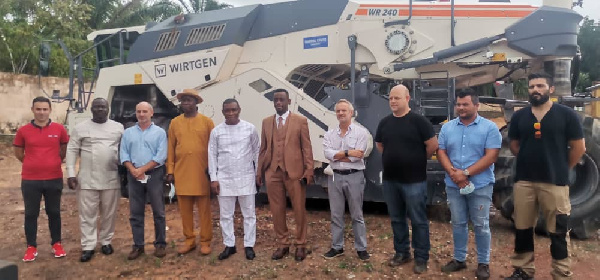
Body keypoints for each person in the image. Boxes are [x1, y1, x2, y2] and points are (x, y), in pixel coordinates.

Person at [505, 72, 585, 280]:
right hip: (524, 182)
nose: (535, 90)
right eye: (532, 87)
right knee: (522, 228)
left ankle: (561, 273)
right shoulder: (520, 116)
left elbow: (579, 147)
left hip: (555, 183)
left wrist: (561, 166)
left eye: (540, 86)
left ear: (550, 89)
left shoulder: (566, 115)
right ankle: (523, 270)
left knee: (558, 231)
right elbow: (514, 145)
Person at [437, 89, 502, 280]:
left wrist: (465, 173)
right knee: (458, 222)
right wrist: (453, 174)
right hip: (453, 184)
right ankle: (459, 259)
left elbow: (491, 156)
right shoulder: (447, 128)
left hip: (480, 185)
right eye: (458, 104)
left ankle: (483, 263)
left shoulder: (490, 128)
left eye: (465, 104)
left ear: (476, 105)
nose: (461, 108)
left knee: (481, 224)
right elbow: (441, 152)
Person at [374, 84, 438, 274]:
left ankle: (421, 257)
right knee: (396, 219)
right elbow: (380, 145)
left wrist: (414, 159)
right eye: (391, 98)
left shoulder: (419, 121)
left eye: (397, 98)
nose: (393, 101)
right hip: (390, 180)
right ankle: (402, 253)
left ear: (407, 99)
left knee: (418, 220)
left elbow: (432, 145)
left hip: (414, 181)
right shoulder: (385, 123)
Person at [256, 88, 314, 261]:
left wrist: (308, 170)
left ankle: (301, 244)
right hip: (272, 172)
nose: (278, 103)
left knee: (298, 209)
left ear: (289, 101)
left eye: (281, 100)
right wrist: (259, 171)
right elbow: (263, 149)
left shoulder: (300, 121)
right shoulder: (267, 122)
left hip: (294, 172)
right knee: (276, 209)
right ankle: (283, 244)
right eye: (276, 100)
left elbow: (307, 148)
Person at [66, 98, 124, 262]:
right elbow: (71, 150)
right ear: (91, 109)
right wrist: (71, 173)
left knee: (109, 214)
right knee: (87, 214)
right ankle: (88, 246)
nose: (100, 109)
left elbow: (124, 149)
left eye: (103, 107)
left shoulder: (118, 128)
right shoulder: (80, 128)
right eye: (96, 107)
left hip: (111, 177)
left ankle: (106, 241)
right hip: (87, 179)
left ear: (108, 109)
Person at [13, 96, 69, 262]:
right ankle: (31, 247)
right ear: (33, 110)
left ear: (50, 110)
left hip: (54, 178)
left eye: (45, 109)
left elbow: (63, 149)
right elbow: (18, 153)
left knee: (54, 212)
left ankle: (57, 244)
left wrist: (52, 163)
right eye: (38, 109)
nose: (42, 112)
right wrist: (32, 163)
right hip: (30, 180)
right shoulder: (23, 131)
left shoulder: (59, 129)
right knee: (31, 213)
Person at [208, 99, 260, 261]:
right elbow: (212, 155)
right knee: (225, 215)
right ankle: (229, 245)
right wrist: (213, 178)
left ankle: (249, 245)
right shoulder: (216, 131)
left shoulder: (250, 129)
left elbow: (256, 151)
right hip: (224, 179)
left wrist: (258, 173)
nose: (230, 113)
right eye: (227, 110)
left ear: (239, 110)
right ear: (223, 112)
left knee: (249, 214)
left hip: (246, 177)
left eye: (233, 110)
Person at [166, 89, 215, 256]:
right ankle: (189, 240)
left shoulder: (207, 122)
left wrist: (213, 171)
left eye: (189, 100)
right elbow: (170, 147)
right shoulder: (175, 123)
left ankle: (205, 241)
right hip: (182, 172)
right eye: (183, 100)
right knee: (185, 209)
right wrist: (170, 170)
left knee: (204, 210)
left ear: (196, 103)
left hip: (202, 172)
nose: (186, 103)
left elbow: (213, 148)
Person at [322, 99, 370, 261]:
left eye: (344, 110)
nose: (341, 113)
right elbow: (328, 155)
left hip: (354, 176)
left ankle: (361, 248)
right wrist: (349, 152)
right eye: (338, 111)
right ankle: (337, 247)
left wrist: (340, 154)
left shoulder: (360, 133)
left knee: (357, 214)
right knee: (336, 215)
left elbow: (359, 156)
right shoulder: (329, 134)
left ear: (351, 112)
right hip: (335, 177)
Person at [120, 101, 168, 260]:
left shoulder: (160, 133)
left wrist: (142, 169)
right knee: (135, 212)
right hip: (133, 176)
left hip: (154, 175)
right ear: (135, 113)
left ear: (151, 113)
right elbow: (124, 154)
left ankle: (160, 244)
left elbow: (161, 156)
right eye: (138, 111)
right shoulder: (128, 133)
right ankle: (138, 245)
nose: (141, 114)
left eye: (144, 111)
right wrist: (133, 170)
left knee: (159, 211)